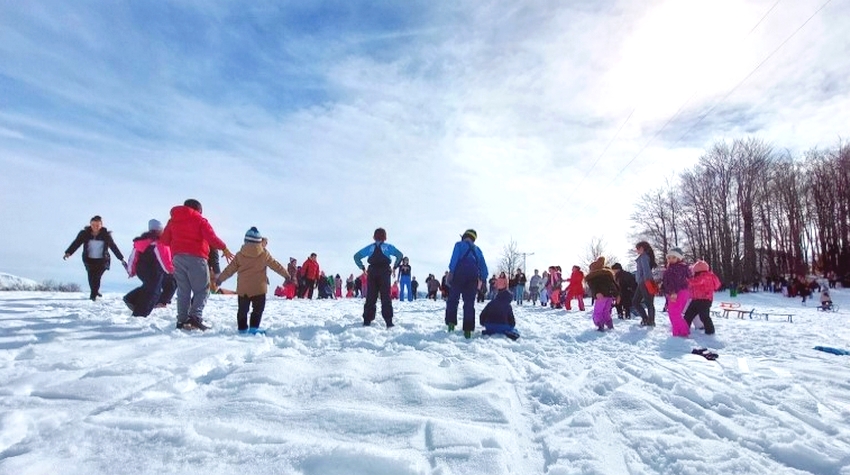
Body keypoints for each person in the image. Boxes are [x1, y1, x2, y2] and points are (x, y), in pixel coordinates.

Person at [160, 199, 233, 331]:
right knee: (203, 290)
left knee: (183, 291)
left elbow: (164, 240)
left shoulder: (173, 221)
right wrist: (224, 248)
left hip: (178, 258)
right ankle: (195, 318)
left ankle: (182, 320)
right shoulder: (199, 220)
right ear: (199, 209)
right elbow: (211, 238)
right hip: (197, 258)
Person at [216, 227, 289, 334]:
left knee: (242, 310)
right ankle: (254, 327)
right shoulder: (264, 254)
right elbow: (276, 265)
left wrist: (220, 279)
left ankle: (242, 328)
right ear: (259, 242)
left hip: (243, 289)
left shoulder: (240, 255)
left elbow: (229, 269)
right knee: (258, 309)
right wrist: (286, 275)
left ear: (245, 241)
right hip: (259, 289)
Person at [64, 215, 127, 301]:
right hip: (89, 260)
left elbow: (113, 247)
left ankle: (93, 296)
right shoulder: (84, 234)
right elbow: (76, 243)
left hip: (102, 260)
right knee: (91, 277)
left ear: (101, 225)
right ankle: (95, 291)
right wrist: (68, 253)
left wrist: (121, 258)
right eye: (93, 225)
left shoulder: (106, 235)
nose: (95, 227)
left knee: (97, 277)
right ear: (90, 224)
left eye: (97, 225)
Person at [353, 227, 404, 327]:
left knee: (371, 296)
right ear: (385, 237)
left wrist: (362, 267)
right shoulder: (388, 247)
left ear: (374, 236)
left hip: (372, 272)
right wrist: (395, 266)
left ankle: (367, 320)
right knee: (386, 296)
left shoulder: (370, 248)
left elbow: (356, 256)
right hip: (385, 272)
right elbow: (400, 255)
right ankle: (388, 321)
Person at [123, 219, 175, 317]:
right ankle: (140, 314)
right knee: (153, 291)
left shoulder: (142, 241)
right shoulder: (160, 242)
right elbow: (164, 258)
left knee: (151, 286)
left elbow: (133, 257)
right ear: (160, 230)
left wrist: (131, 271)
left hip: (142, 270)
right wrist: (171, 270)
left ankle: (131, 299)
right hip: (154, 270)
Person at [445, 229, 489, 338]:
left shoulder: (459, 245)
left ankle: (451, 325)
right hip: (472, 278)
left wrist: (450, 273)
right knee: (469, 303)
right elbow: (483, 267)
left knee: (453, 300)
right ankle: (468, 331)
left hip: (458, 275)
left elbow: (454, 259)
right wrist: (483, 280)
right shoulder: (477, 250)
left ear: (464, 236)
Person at [684, 259, 720, 334]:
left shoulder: (705, 276)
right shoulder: (708, 275)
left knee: (704, 316)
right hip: (697, 299)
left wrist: (686, 280)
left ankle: (710, 331)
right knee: (689, 315)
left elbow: (695, 282)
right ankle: (684, 328)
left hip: (704, 300)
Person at [662, 247, 691, 337]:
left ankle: (682, 331)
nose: (671, 259)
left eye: (673, 257)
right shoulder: (679, 267)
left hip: (677, 292)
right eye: (669, 257)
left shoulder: (676, 268)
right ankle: (680, 330)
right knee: (674, 312)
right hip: (680, 292)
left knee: (674, 312)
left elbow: (675, 281)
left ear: (679, 258)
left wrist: (673, 292)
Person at [585, 257, 618, 331]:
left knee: (598, 311)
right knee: (606, 311)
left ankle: (600, 325)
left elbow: (594, 286)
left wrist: (597, 293)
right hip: (609, 296)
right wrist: (616, 294)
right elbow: (614, 285)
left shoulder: (592, 277)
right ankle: (610, 324)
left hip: (601, 296)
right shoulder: (608, 275)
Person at [633, 241, 658, 327]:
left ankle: (650, 321)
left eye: (638, 248)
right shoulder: (644, 257)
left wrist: (646, 281)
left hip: (645, 282)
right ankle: (646, 319)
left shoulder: (643, 257)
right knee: (636, 302)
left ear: (643, 248)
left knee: (648, 302)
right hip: (642, 282)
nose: (637, 250)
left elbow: (646, 270)